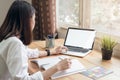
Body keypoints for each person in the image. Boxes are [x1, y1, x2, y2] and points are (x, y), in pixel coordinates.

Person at [0, 0, 71, 80]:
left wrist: (52, 52)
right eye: (34, 18)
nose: (34, 22)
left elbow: (26, 52)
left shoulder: (7, 37)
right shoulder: (15, 43)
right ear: (27, 21)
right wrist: (57, 67)